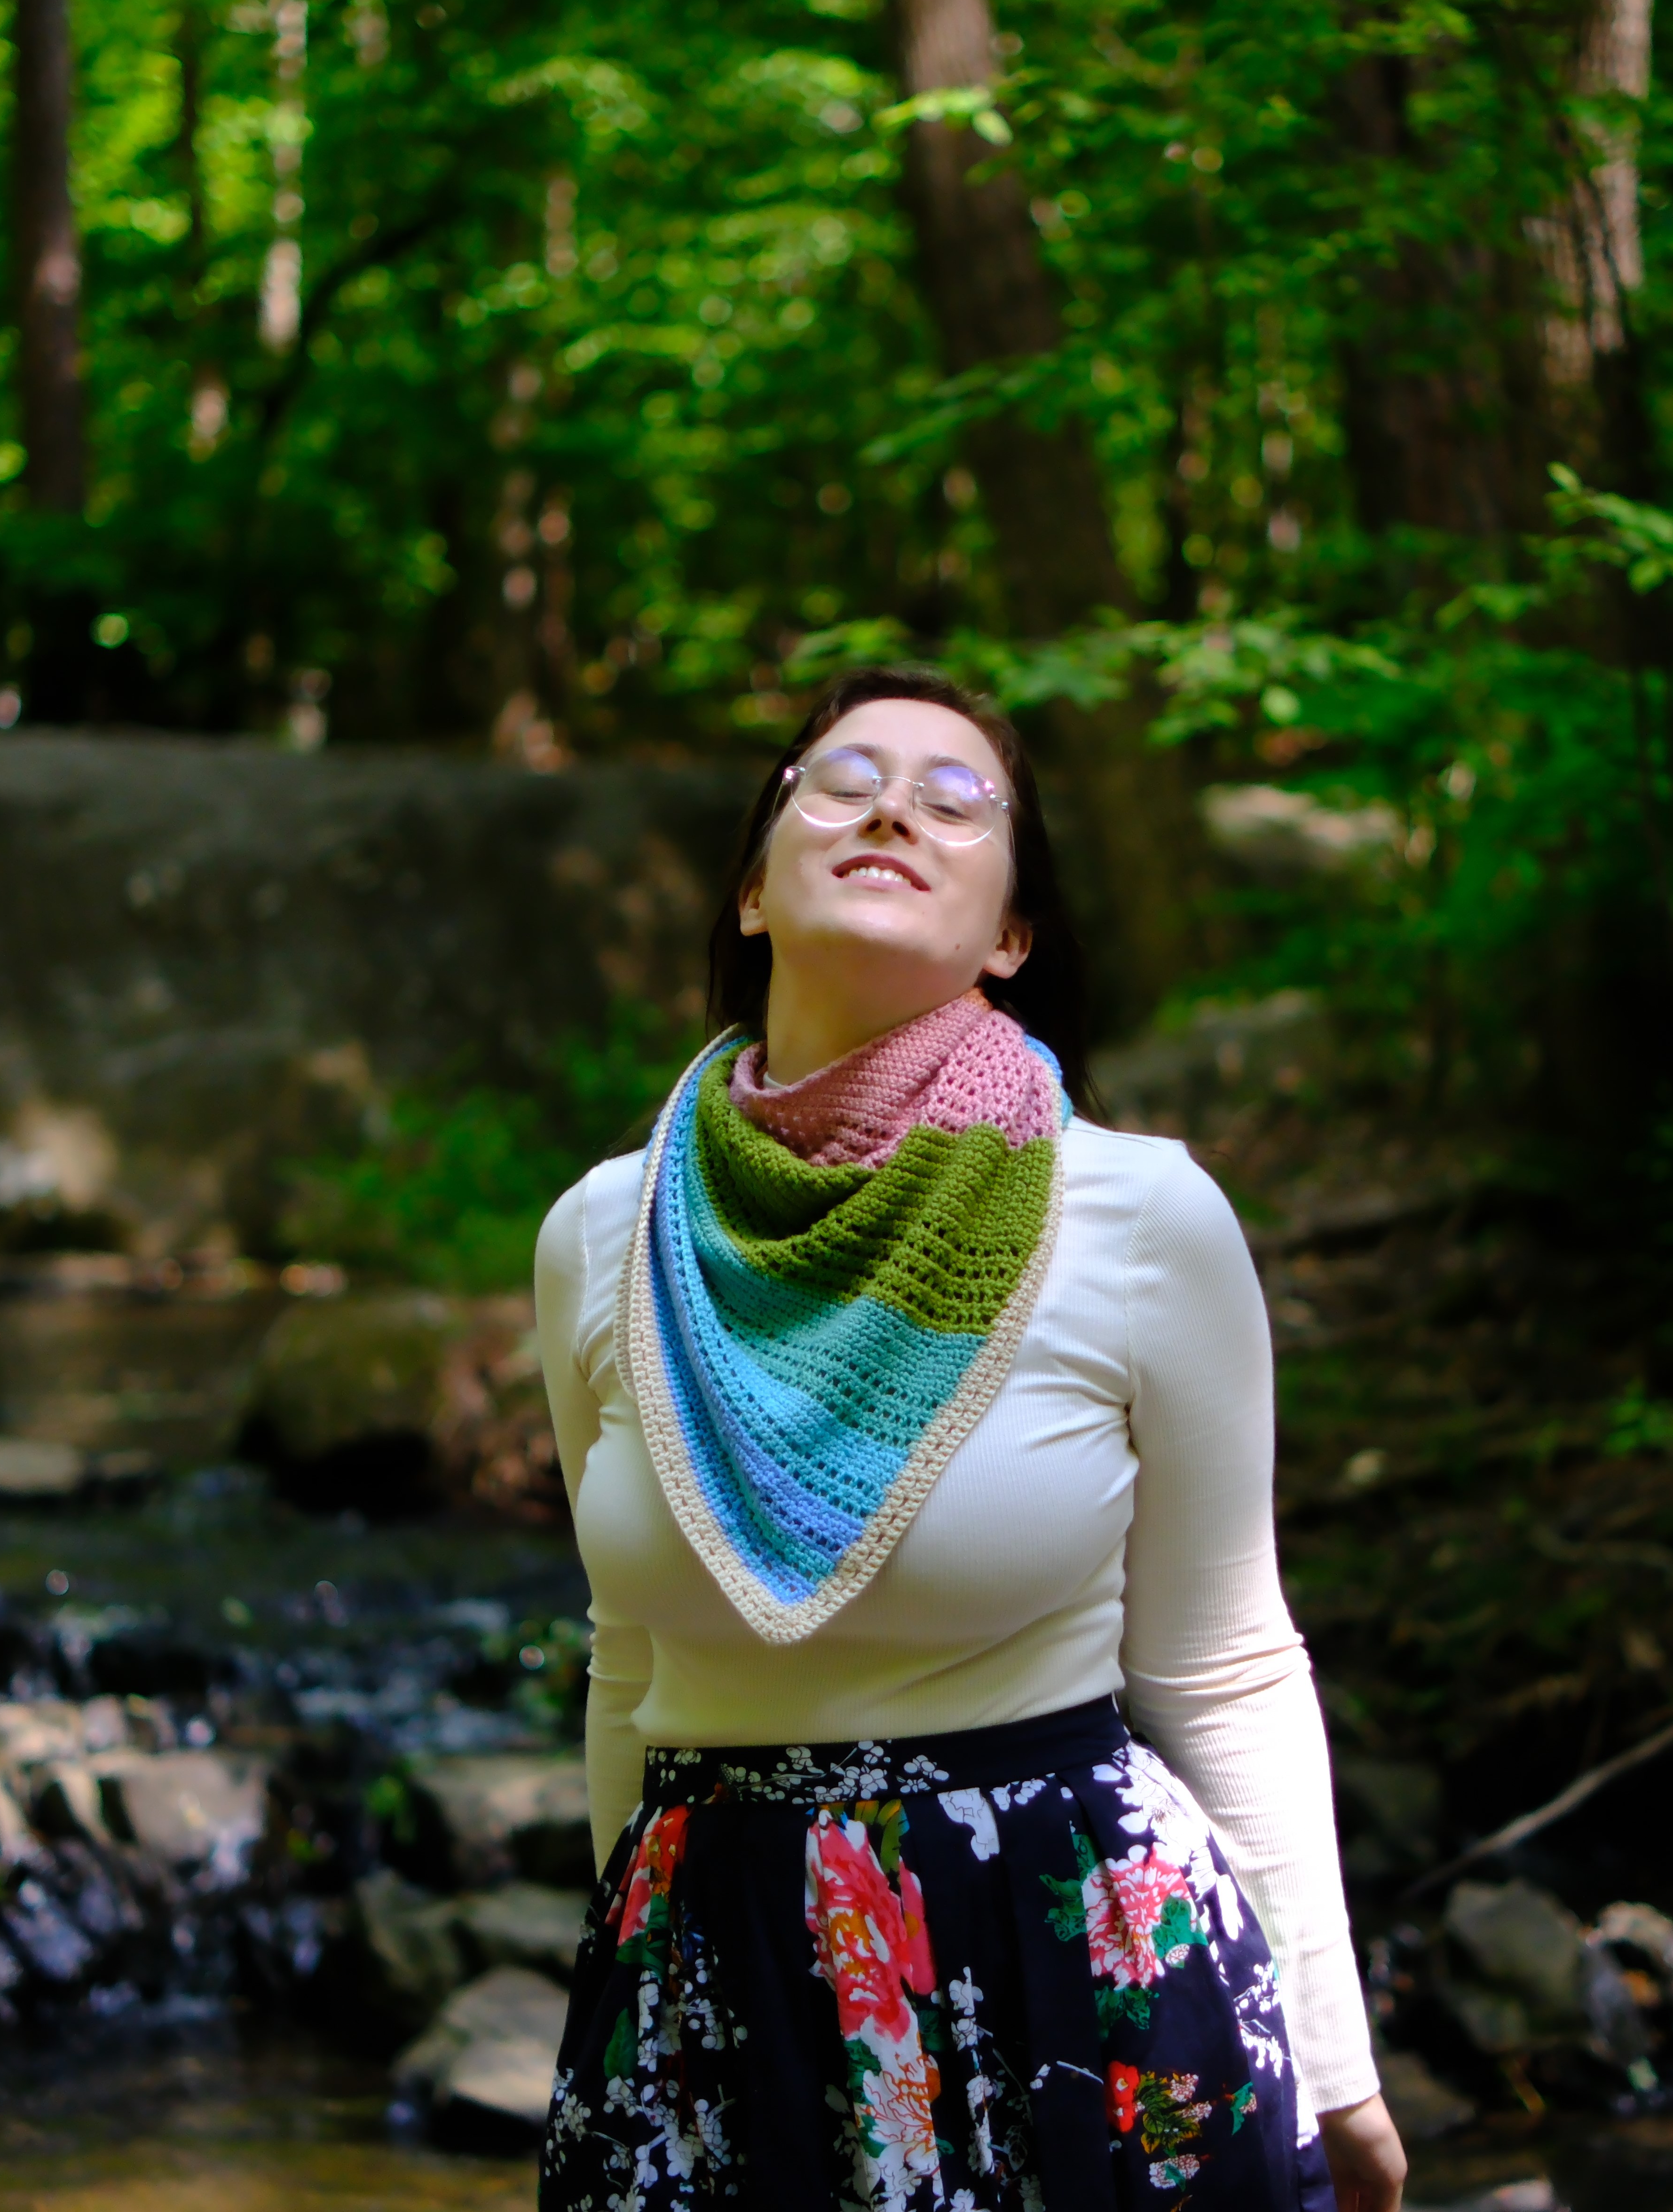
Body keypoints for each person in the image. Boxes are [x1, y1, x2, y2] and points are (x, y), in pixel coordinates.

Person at [536, 666, 1408, 2211]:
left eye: (957, 798)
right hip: (711, 1982)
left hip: (1068, 1969)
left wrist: (1336, 2068)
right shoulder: (601, 1236)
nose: (892, 807)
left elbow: (1226, 1664)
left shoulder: (1140, 1217)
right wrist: (633, 1996)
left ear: (1013, 934)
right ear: (752, 890)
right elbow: (630, 1664)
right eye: (841, 777)